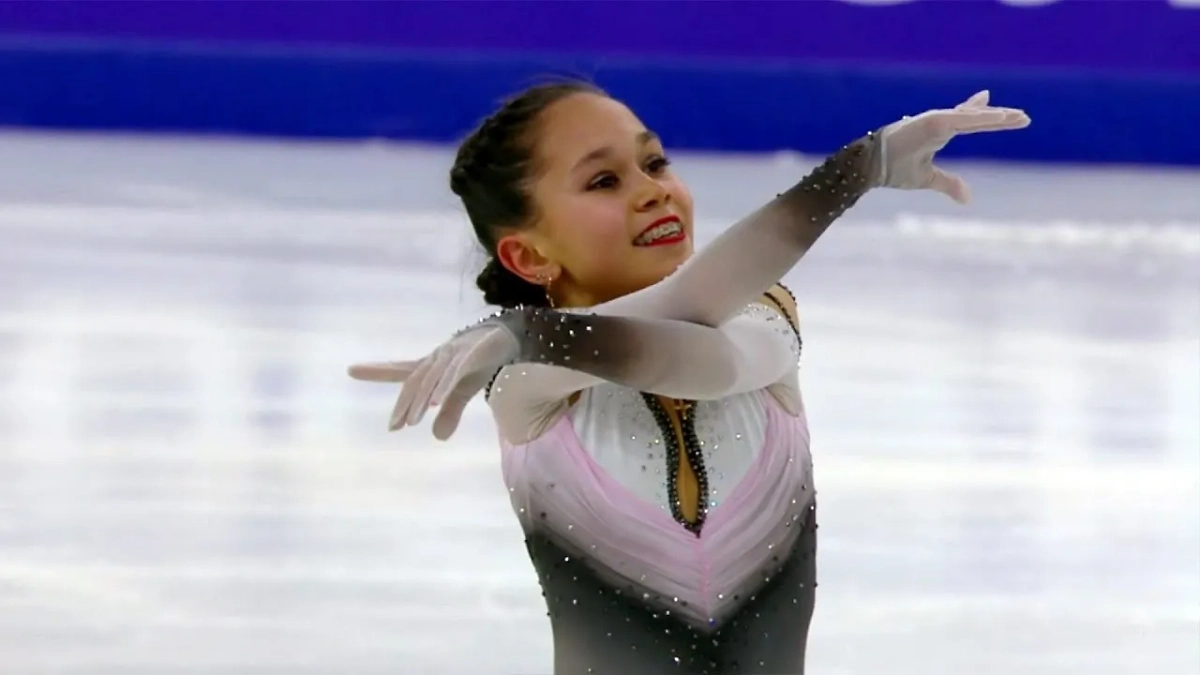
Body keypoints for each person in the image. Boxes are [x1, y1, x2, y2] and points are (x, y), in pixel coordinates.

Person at [349, 82, 1030, 674]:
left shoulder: (763, 313)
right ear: (528, 255)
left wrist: (864, 165)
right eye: (604, 181)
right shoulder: (523, 380)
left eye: (654, 162)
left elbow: (707, 357)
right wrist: (523, 336)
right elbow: (646, 326)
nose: (652, 191)